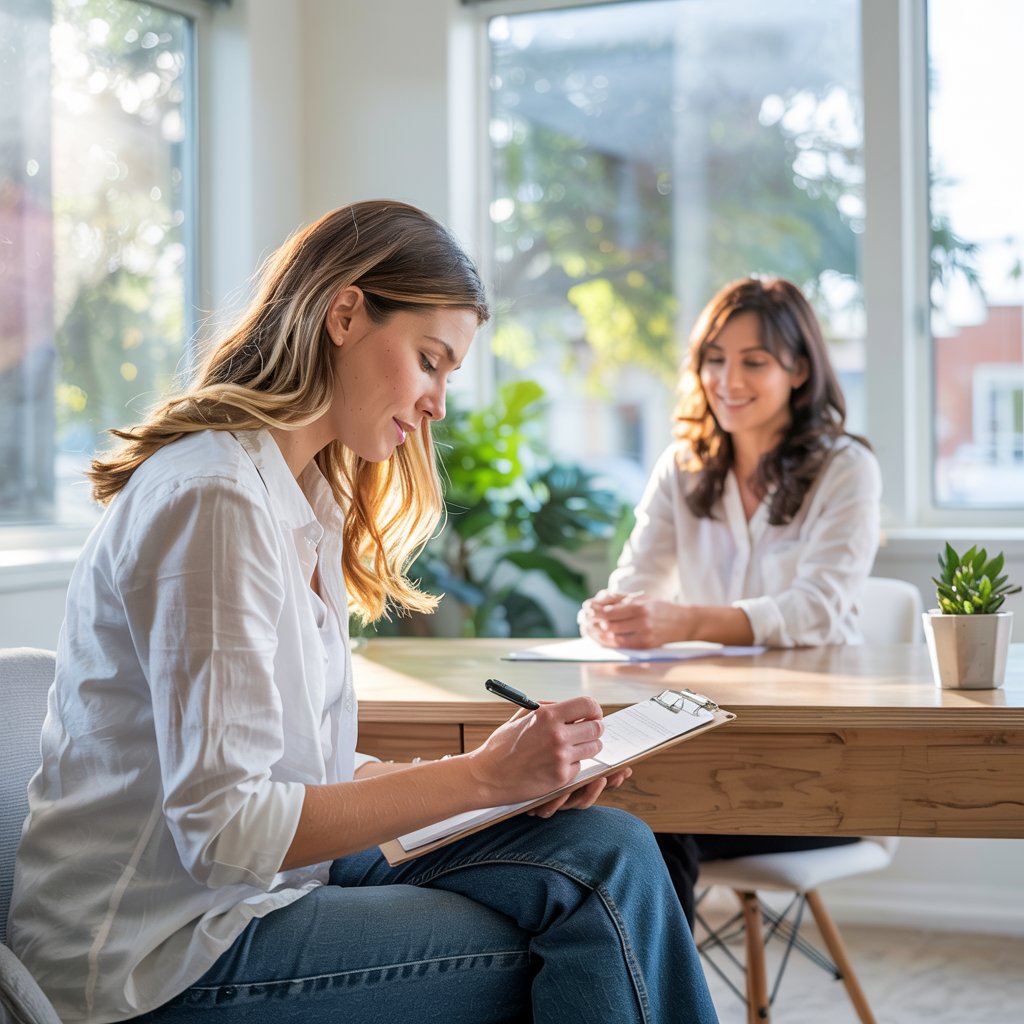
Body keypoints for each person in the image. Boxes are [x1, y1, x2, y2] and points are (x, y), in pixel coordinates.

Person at [8, 201, 719, 1024]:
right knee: (587, 925)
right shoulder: (214, 498)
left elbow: (302, 774)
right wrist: (482, 777)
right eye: (430, 361)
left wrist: (504, 780)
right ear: (344, 313)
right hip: (159, 960)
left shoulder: (301, 495)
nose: (438, 405)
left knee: (613, 851)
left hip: (268, 893)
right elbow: (228, 827)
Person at [578, 275, 881, 927]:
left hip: (818, 763)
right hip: (703, 749)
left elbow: (816, 610)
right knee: (612, 820)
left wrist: (681, 620)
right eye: (714, 359)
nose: (727, 380)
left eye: (753, 362)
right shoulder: (684, 464)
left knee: (651, 828)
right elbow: (635, 581)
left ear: (799, 370)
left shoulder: (846, 468)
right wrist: (610, 615)